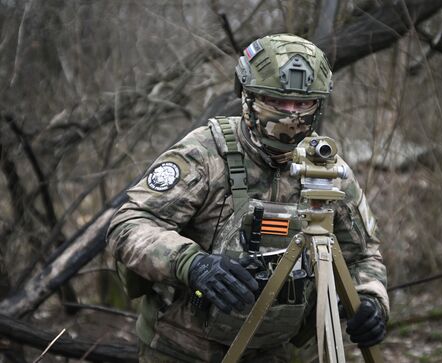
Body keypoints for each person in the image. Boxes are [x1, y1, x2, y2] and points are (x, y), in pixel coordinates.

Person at [108, 33, 389, 362]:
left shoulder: (324, 167)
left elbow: (363, 255)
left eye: (303, 104)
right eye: (277, 102)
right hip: (183, 348)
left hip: (278, 351)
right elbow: (129, 225)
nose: (291, 115)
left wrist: (370, 300)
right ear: (247, 96)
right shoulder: (204, 154)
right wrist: (193, 264)